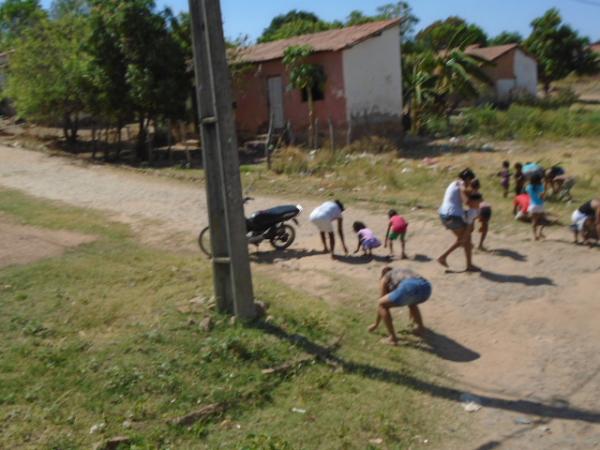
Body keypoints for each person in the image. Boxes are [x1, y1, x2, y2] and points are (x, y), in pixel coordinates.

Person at [368, 266, 432, 345]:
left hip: (409, 286)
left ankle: (392, 338)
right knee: (412, 303)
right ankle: (420, 329)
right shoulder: (403, 270)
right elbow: (415, 286)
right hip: (426, 288)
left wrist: (376, 324)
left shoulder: (386, 277)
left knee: (382, 304)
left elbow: (381, 301)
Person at [437, 168, 480, 272]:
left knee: (466, 240)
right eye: (470, 180)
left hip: (444, 214)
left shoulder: (454, 184)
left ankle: (468, 264)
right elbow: (468, 203)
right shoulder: (461, 186)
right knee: (465, 239)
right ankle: (443, 257)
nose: (470, 183)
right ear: (468, 179)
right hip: (453, 215)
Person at [526, 174, 546, 241]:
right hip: (540, 205)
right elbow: (542, 197)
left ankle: (535, 236)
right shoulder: (541, 186)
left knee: (534, 222)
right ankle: (540, 232)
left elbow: (529, 194)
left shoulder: (528, 187)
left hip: (532, 205)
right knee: (543, 220)